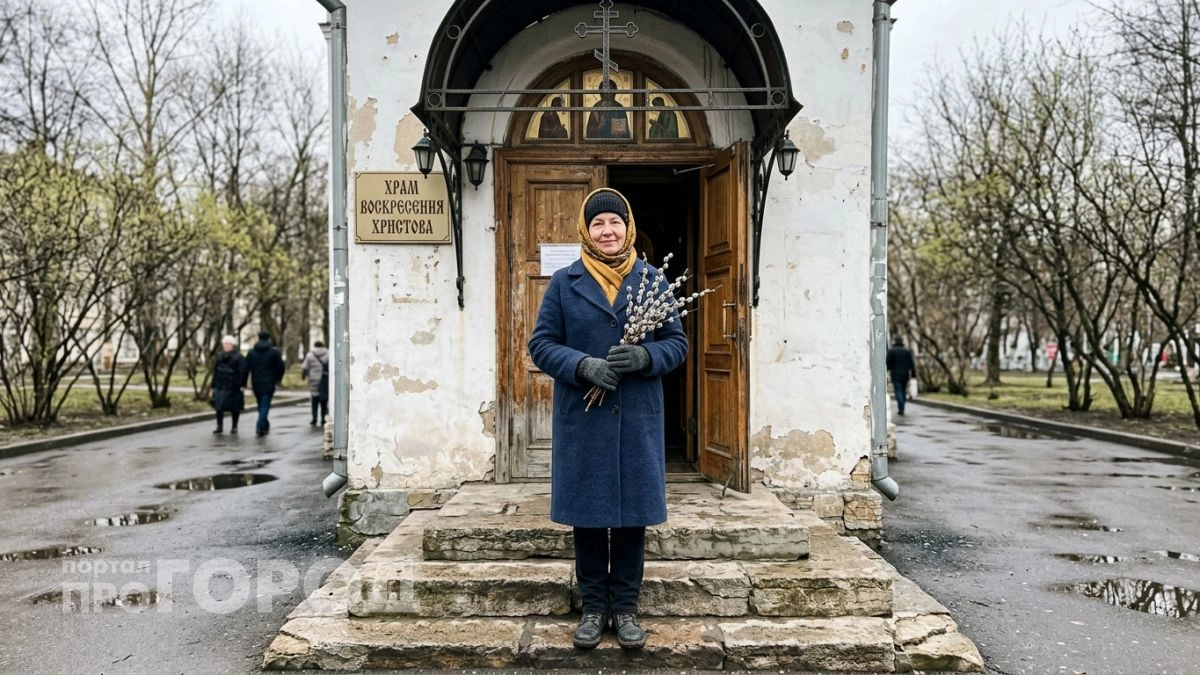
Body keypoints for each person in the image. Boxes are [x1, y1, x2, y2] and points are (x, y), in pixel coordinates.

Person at [528, 188, 688, 651]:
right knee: (590, 517)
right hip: (585, 415)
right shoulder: (565, 282)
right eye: (598, 223)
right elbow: (541, 344)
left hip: (636, 416)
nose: (607, 231)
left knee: (633, 518)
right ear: (586, 229)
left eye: (615, 221)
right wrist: (582, 366)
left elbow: (677, 344)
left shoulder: (653, 280)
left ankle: (627, 609)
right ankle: (594, 608)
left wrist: (644, 356)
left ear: (628, 226)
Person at [244, 331, 286, 436]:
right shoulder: (274, 352)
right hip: (269, 382)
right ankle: (260, 425)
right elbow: (280, 367)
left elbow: (245, 368)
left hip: (256, 382)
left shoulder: (252, 352)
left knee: (261, 405)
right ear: (268, 338)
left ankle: (264, 424)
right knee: (265, 405)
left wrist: (244, 382)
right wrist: (277, 379)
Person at [210, 335, 246, 434]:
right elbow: (215, 371)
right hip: (221, 384)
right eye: (225, 344)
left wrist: (242, 384)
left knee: (235, 407)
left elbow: (243, 371)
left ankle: (234, 426)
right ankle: (219, 426)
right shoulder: (219, 356)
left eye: (228, 344)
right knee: (219, 406)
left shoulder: (239, 357)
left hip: (234, 385)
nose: (226, 346)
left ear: (233, 345)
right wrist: (213, 385)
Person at [301, 340, 330, 426]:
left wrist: (304, 376)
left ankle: (314, 418)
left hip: (313, 379)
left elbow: (305, 367)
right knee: (324, 400)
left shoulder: (310, 355)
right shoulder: (328, 354)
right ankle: (323, 418)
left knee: (314, 399)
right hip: (324, 379)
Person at [886, 336, 917, 416]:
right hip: (905, 374)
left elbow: (888, 363)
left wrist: (886, 371)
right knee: (903, 390)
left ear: (895, 341)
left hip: (895, 374)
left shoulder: (891, 351)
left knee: (898, 391)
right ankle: (902, 407)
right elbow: (911, 363)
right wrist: (913, 374)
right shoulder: (907, 351)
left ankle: (901, 407)